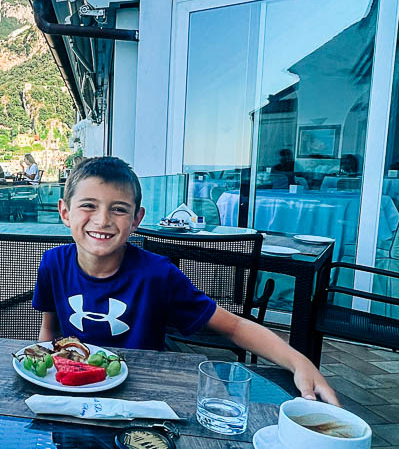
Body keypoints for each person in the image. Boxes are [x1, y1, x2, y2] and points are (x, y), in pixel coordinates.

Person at [33, 156, 339, 404]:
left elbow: (233, 326)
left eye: (118, 209)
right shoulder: (53, 263)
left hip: (141, 398)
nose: (102, 220)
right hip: (71, 392)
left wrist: (299, 361)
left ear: (136, 220)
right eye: (88, 205)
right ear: (65, 211)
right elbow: (50, 330)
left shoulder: (158, 275)